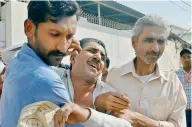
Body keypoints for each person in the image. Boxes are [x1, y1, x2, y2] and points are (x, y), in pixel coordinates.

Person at [0, 1, 82, 126]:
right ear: (29, 28)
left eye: (69, 36)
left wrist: (58, 53)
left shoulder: (16, 59)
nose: (63, 47)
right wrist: (94, 107)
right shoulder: (47, 81)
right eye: (55, 34)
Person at [96, 14, 187, 127]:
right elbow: (100, 118)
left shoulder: (172, 82)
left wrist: (140, 120)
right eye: (148, 40)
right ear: (134, 42)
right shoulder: (114, 75)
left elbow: (179, 124)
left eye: (161, 41)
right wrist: (99, 104)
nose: (155, 49)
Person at [175, 48, 191, 127]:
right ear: (181, 59)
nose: (186, 59)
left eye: (189, 57)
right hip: (182, 112)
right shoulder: (176, 74)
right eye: (184, 57)